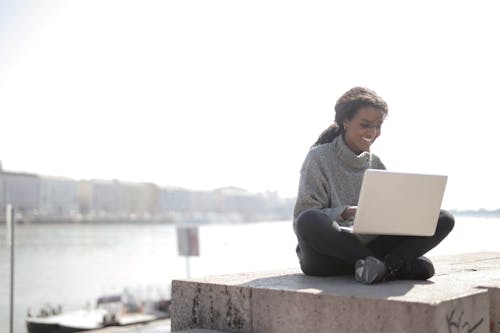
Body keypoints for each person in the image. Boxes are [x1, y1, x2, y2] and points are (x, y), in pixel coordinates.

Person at [293, 87, 454, 284]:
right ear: (345, 121)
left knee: (443, 217)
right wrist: (349, 212)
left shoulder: (376, 163)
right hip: (326, 257)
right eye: (365, 125)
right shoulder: (318, 157)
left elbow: (388, 215)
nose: (373, 132)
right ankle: (388, 266)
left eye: (378, 126)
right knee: (309, 219)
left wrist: (404, 214)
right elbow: (305, 214)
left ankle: (377, 267)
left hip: (368, 245)